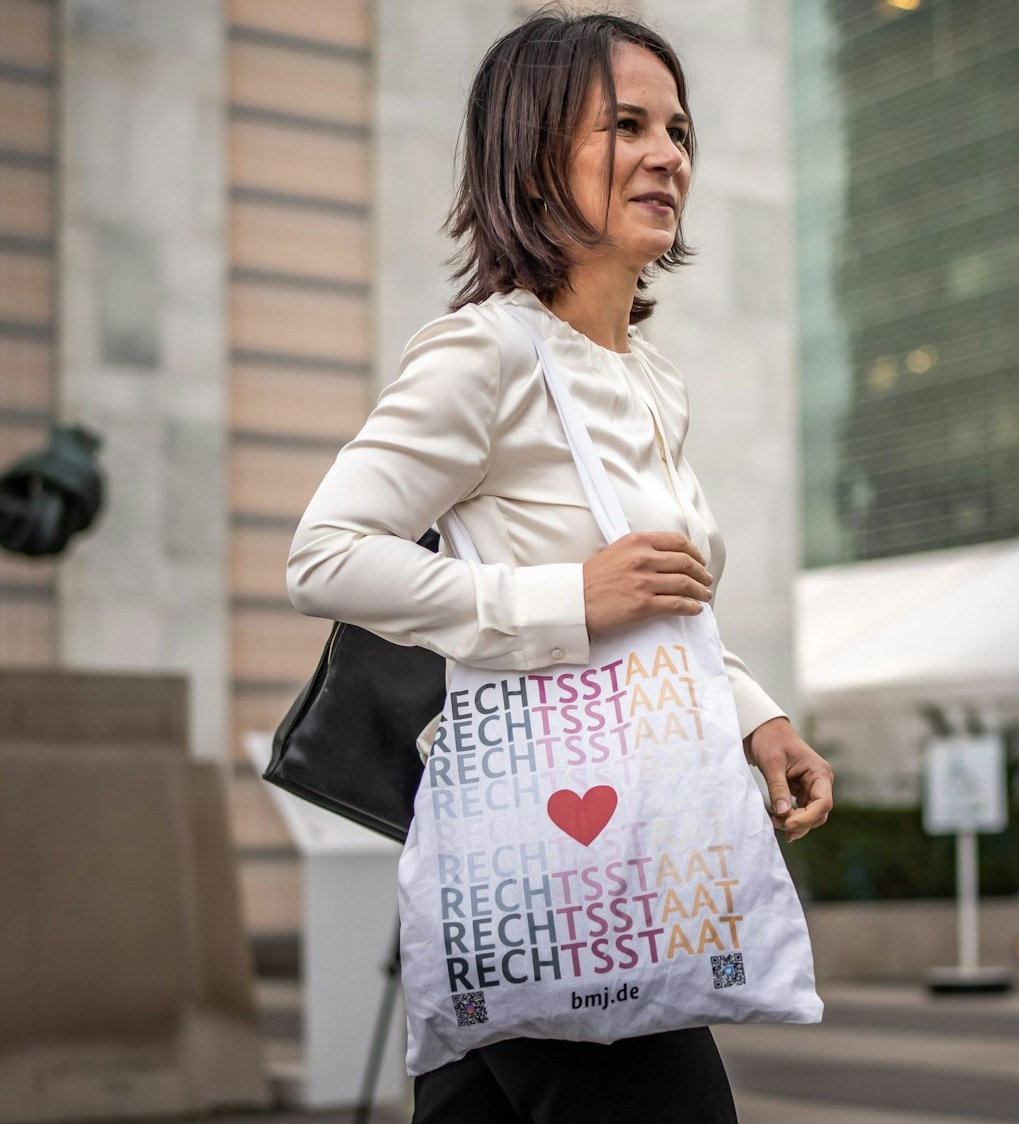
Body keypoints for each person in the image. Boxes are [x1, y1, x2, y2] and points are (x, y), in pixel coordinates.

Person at [286, 9, 832, 1121]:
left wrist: (754, 716)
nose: (667, 153)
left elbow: (662, 605)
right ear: (534, 154)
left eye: (677, 129)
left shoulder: (653, 381)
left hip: (614, 856)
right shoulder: (486, 352)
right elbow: (325, 556)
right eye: (624, 124)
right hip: (559, 869)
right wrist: (560, 598)